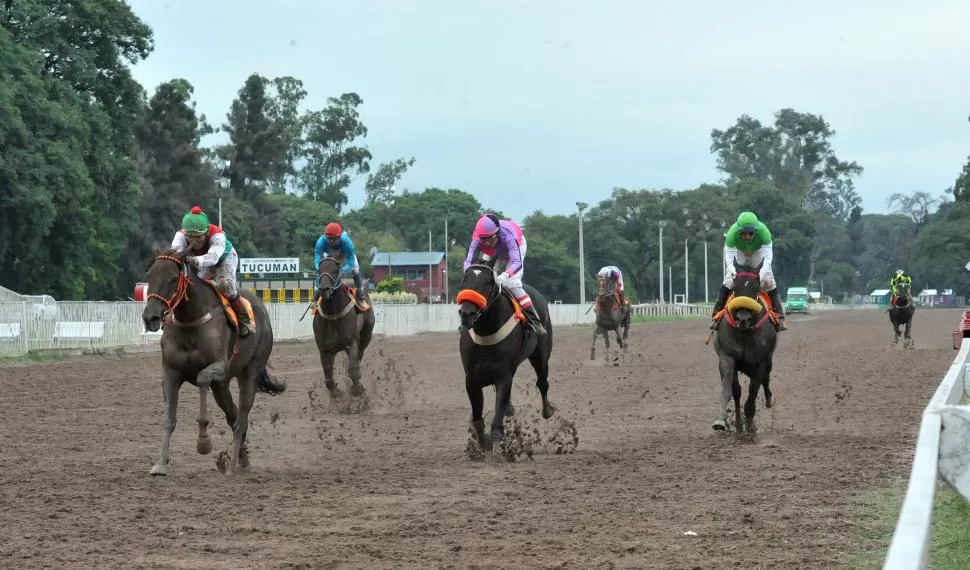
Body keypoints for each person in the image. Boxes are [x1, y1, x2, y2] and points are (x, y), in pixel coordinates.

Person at [171, 205, 253, 337]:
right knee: (193, 287)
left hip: (224, 259)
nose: (193, 241)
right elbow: (175, 253)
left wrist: (193, 260)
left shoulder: (217, 235)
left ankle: (245, 320)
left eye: (198, 237)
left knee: (224, 285)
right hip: (202, 261)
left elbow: (213, 258)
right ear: (185, 233)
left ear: (206, 232)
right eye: (190, 237)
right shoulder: (180, 235)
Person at [463, 213, 547, 335]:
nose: (486, 243)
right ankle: (469, 319)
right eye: (483, 240)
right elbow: (468, 260)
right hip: (495, 251)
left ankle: (535, 321)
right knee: (483, 278)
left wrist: (505, 275)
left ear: (497, 233)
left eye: (490, 239)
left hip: (515, 249)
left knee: (511, 284)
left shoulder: (508, 235)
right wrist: (468, 272)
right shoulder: (478, 238)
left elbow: (516, 262)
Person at [710, 211, 787, 332]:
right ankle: (717, 316)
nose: (747, 237)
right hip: (739, 252)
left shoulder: (764, 232)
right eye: (744, 234)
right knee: (729, 281)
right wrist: (732, 270)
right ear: (738, 231)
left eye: (751, 233)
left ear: (756, 230)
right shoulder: (731, 233)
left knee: (768, 281)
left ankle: (780, 318)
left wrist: (762, 274)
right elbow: (729, 258)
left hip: (758, 252)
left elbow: (768, 258)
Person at [314, 222, 365, 303]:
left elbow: (351, 262)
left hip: (344, 252)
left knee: (355, 270)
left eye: (333, 239)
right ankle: (316, 296)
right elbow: (317, 255)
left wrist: (341, 270)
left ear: (339, 237)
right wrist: (318, 267)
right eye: (328, 238)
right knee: (322, 270)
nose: (331, 241)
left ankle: (360, 295)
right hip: (329, 253)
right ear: (325, 236)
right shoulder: (321, 241)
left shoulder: (347, 243)